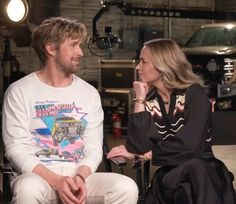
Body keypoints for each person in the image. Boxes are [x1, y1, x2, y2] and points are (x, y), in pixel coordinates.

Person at [2, 16, 138, 204]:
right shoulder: (19, 91)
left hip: (80, 177)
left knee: (126, 187)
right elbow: (15, 148)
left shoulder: (89, 93)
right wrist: (57, 181)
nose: (81, 52)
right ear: (51, 49)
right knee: (28, 189)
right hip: (38, 178)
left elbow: (93, 147)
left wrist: (80, 177)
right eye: (73, 45)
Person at [107, 38, 236, 204]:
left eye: (143, 61)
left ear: (162, 65)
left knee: (194, 172)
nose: (138, 67)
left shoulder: (194, 95)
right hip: (171, 176)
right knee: (191, 178)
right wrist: (139, 99)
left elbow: (190, 147)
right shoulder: (149, 100)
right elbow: (138, 146)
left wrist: (150, 154)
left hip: (206, 171)